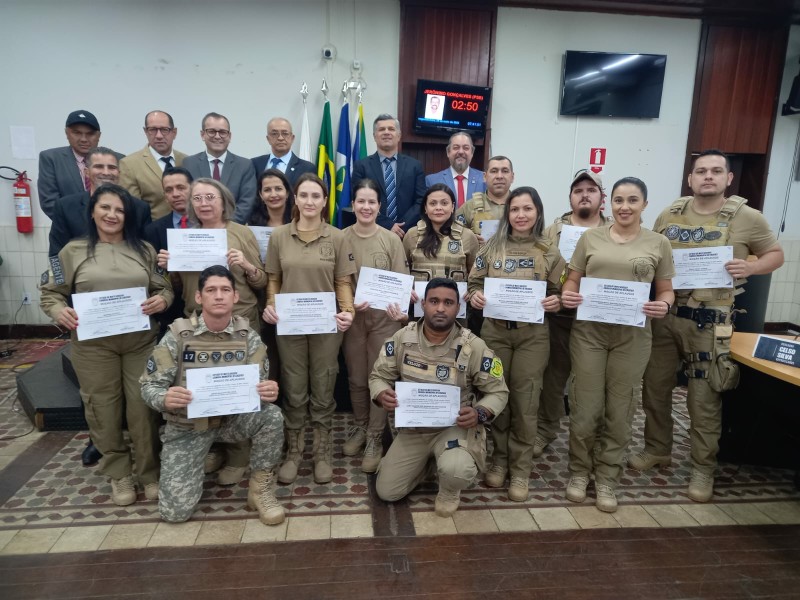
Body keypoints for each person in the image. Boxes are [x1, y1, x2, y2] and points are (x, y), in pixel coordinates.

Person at [632, 149, 784, 502]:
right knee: (654, 389)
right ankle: (658, 448)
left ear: (728, 179)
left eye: (716, 171)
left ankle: (703, 467)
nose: (708, 177)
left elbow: (775, 254)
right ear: (691, 178)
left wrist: (750, 268)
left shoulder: (747, 217)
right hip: (666, 317)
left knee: (703, 399)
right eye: (701, 171)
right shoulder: (670, 213)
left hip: (708, 322)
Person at [39, 183, 173, 506]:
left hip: (139, 343)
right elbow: (49, 293)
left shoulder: (145, 250)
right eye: (106, 208)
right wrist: (60, 312)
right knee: (103, 409)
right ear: (93, 212)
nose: (112, 215)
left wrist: (161, 301)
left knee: (142, 408)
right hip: (93, 347)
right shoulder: (69, 253)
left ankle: (149, 472)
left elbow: (165, 288)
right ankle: (119, 473)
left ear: (127, 216)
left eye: (119, 210)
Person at [561, 177, 675, 513]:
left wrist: (664, 305)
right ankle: (579, 472)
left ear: (644, 204)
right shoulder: (589, 238)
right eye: (619, 200)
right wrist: (569, 294)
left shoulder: (658, 243)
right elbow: (572, 280)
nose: (624, 207)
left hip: (633, 337)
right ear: (608, 203)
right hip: (589, 334)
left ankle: (608, 476)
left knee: (620, 409)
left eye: (632, 200)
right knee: (585, 408)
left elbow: (667, 289)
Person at [140, 265, 285, 526]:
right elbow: (148, 387)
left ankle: (260, 491)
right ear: (199, 297)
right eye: (211, 290)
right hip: (187, 428)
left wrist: (267, 390)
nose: (219, 296)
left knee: (272, 416)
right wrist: (164, 398)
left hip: (231, 422)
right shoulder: (177, 336)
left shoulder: (247, 337)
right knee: (174, 514)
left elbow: (258, 386)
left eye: (225, 290)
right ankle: (200, 459)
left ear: (235, 297)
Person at [157, 177, 267, 486]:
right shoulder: (185, 237)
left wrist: (245, 265)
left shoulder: (241, 233)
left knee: (239, 388)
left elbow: (260, 282)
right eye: (197, 198)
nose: (204, 203)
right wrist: (169, 265)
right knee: (206, 388)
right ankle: (212, 447)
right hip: (198, 326)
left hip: (241, 321)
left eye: (210, 197)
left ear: (224, 201)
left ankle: (239, 455)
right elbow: (180, 289)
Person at [369, 278, 508, 517]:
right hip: (415, 429)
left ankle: (449, 488)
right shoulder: (403, 338)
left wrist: (479, 413)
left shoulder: (473, 346)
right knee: (387, 491)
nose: (440, 308)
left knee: (456, 469)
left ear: (458, 307)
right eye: (434, 301)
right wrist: (382, 394)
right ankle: (429, 464)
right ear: (423, 304)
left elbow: (498, 391)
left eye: (448, 302)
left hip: (454, 428)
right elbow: (377, 376)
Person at [467, 186, 565, 501]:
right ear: (507, 213)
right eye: (515, 209)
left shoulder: (549, 250)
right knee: (497, 396)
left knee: (526, 401)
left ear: (537, 213)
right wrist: (475, 296)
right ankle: (499, 459)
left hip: (532, 336)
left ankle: (520, 470)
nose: (521, 215)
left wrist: (556, 302)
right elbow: (473, 284)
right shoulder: (491, 247)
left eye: (527, 209)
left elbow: (561, 291)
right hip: (495, 333)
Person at [262, 173, 356, 485]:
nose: (310, 201)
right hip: (289, 325)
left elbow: (342, 281)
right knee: (294, 386)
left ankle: (322, 452)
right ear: (295, 198)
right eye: (304, 195)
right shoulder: (279, 237)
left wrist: (348, 312)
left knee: (324, 384)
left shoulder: (337, 237)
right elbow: (273, 278)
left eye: (316, 196)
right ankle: (294, 451)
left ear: (324, 200)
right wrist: (271, 305)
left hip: (327, 326)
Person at [535, 170, 613, 458]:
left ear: (601, 198)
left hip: (599, 319)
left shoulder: (615, 229)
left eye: (591, 190)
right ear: (570, 197)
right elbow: (538, 267)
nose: (584, 194)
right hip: (560, 317)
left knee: (595, 382)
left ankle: (597, 437)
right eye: (578, 189)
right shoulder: (553, 230)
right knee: (554, 378)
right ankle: (545, 430)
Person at [341, 179, 409, 473]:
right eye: (361, 201)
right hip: (353, 320)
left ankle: (374, 437)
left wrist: (400, 309)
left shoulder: (391, 240)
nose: (366, 207)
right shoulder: (340, 237)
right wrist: (346, 305)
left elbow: (401, 283)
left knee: (377, 377)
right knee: (356, 377)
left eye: (372, 202)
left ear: (380, 206)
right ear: (352, 205)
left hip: (384, 321)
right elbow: (336, 281)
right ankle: (359, 426)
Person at [49, 147, 151, 257]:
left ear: (119, 173)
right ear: (86, 172)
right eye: (99, 167)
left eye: (112, 168)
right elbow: (56, 254)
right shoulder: (65, 207)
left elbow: (146, 252)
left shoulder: (140, 208)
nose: (106, 172)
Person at [38, 110, 123, 219]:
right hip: (69, 231)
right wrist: (80, 225)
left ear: (98, 135)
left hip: (111, 228)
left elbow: (125, 198)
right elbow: (49, 202)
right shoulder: (51, 158)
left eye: (90, 134)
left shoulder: (119, 160)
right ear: (67, 133)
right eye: (77, 133)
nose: (83, 139)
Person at [352, 114, 426, 237]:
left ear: (399, 135)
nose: (386, 132)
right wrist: (388, 225)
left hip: (407, 233)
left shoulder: (415, 166)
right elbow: (358, 199)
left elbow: (421, 200)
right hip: (372, 232)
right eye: (381, 129)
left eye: (391, 129)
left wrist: (401, 225)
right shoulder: (361, 166)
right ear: (374, 136)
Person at [183, 112, 257, 224]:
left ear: (229, 136)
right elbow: (187, 200)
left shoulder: (245, 165)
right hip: (198, 231)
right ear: (203, 134)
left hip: (233, 230)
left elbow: (246, 203)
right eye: (212, 131)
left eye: (222, 132)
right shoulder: (188, 164)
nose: (217, 136)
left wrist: (222, 227)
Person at [144, 167, 194, 332]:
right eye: (169, 190)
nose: (175, 194)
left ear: (193, 188)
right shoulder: (153, 231)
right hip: (172, 313)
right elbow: (152, 276)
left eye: (181, 188)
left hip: (211, 306)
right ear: (165, 196)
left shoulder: (211, 225)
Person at [403, 184, 479, 286]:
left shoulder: (467, 236)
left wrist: (471, 292)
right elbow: (402, 273)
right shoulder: (412, 235)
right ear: (425, 208)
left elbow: (476, 276)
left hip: (456, 301)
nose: (438, 208)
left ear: (452, 207)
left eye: (444, 203)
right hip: (419, 300)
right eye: (433, 203)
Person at [120, 110, 187, 220]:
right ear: (145, 132)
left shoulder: (186, 161)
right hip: (151, 233)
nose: (159, 136)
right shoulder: (129, 165)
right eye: (153, 130)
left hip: (187, 232)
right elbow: (133, 210)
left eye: (164, 130)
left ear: (174, 132)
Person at [455, 155, 514, 243]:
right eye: (494, 171)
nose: (499, 176)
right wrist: (469, 239)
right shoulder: (470, 206)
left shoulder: (522, 206)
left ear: (512, 177)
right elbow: (453, 235)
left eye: (505, 171)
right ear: (485, 177)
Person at [424, 131, 486, 209]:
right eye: (456, 147)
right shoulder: (432, 181)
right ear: (448, 152)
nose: (460, 152)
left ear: (472, 152)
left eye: (466, 148)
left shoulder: (484, 179)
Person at [251, 117, 316, 188]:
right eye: (274, 134)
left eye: (285, 133)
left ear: (292, 138)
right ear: (268, 139)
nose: (280, 138)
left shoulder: (307, 168)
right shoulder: (254, 164)